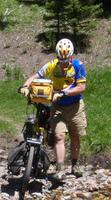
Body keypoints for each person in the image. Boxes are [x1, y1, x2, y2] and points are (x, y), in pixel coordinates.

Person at [19, 38, 87, 181]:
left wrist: (64, 93)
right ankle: (60, 169)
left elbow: (82, 87)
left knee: (75, 136)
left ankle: (75, 165)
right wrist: (25, 86)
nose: (63, 63)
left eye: (66, 59)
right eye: (60, 59)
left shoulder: (78, 66)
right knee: (59, 136)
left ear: (71, 56)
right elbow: (35, 76)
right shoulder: (52, 65)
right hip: (58, 106)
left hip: (75, 106)